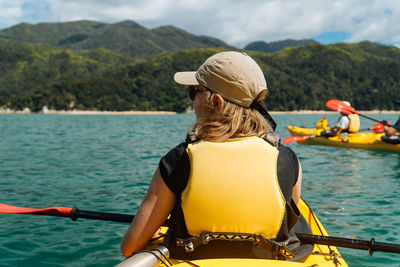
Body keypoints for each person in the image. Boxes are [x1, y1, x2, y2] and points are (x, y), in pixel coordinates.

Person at [121, 51, 303, 260]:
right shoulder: (288, 159)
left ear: (216, 102)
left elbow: (130, 248)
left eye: (194, 92)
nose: (192, 100)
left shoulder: (180, 159)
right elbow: (287, 225)